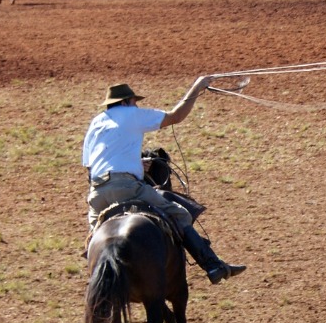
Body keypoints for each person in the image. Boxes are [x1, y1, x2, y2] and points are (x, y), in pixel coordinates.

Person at [83, 79, 247, 284]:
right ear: (125, 102)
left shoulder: (96, 122)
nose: (136, 105)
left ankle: (96, 279)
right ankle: (212, 265)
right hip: (128, 188)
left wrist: (134, 163)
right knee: (179, 213)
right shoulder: (132, 114)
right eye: (134, 101)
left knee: (94, 237)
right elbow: (176, 116)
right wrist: (198, 86)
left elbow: (91, 166)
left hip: (97, 193)